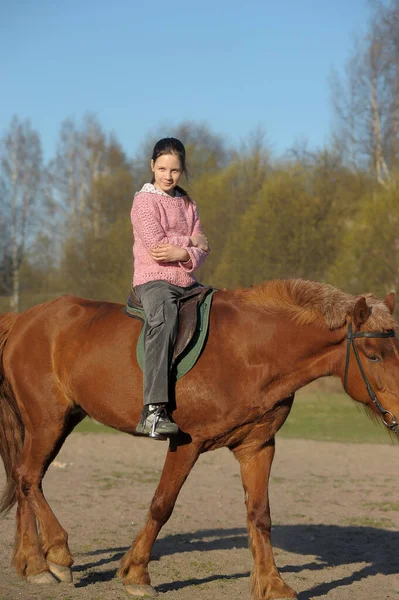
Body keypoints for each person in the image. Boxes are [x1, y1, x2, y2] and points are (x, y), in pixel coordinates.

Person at [130, 137, 210, 439]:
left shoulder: (188, 205)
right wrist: (188, 244)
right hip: (154, 280)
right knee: (163, 320)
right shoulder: (144, 202)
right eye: (162, 168)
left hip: (188, 282)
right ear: (152, 166)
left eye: (174, 170)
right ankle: (152, 411)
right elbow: (157, 248)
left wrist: (188, 252)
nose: (167, 175)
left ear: (182, 171)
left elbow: (205, 246)